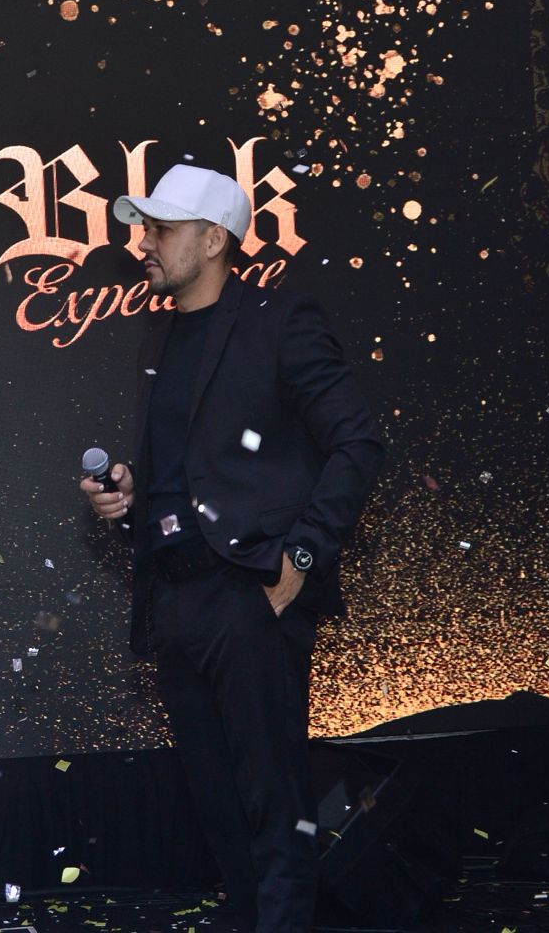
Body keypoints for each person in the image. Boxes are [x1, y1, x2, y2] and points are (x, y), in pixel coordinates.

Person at [77, 163, 383, 933]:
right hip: (175, 598)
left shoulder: (280, 321)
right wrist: (127, 503)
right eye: (145, 229)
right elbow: (191, 475)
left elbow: (357, 442)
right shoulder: (161, 336)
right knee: (216, 803)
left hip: (250, 591)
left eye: (162, 229)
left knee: (272, 801)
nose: (144, 243)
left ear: (214, 240)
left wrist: (301, 558)